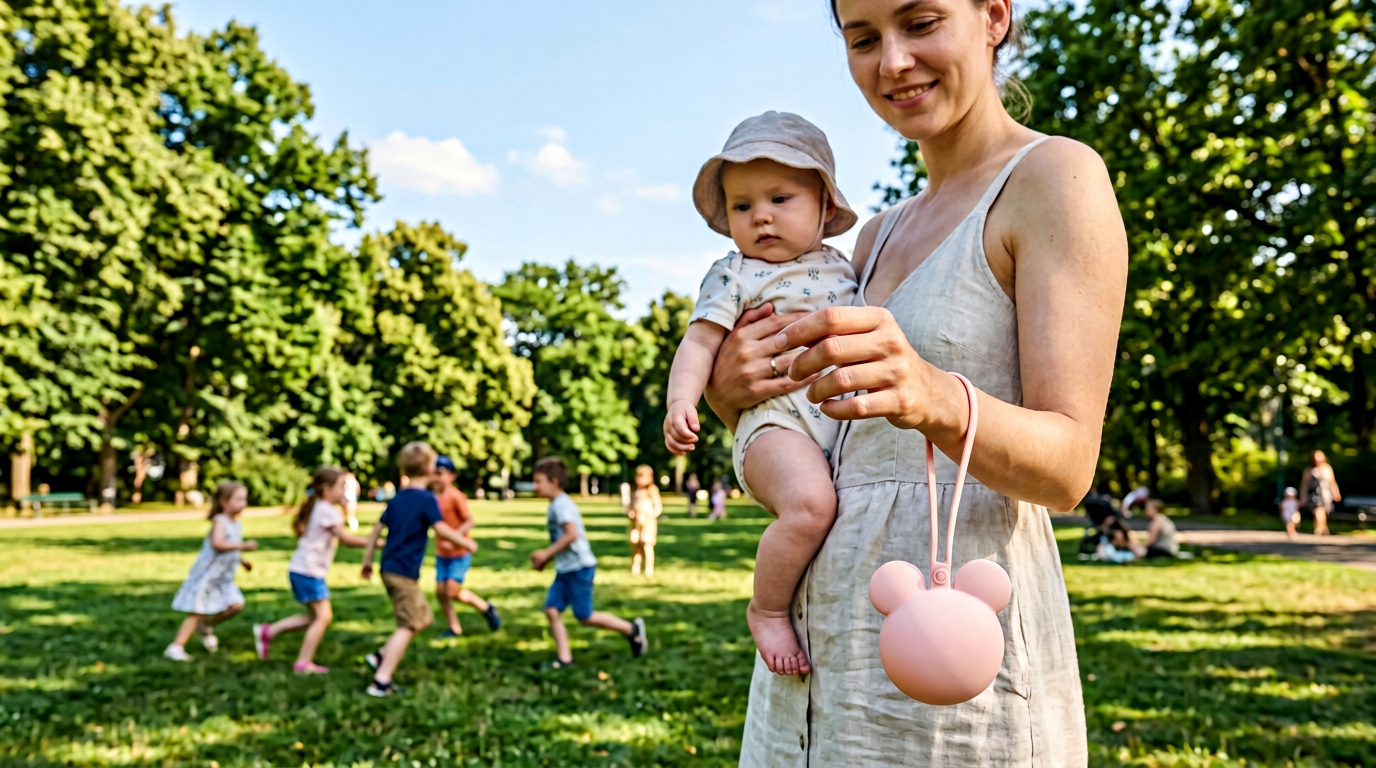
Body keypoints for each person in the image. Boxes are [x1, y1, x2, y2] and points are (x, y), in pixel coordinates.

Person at [703, 0, 1127, 762]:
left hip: (954, 656)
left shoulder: (1055, 178)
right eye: (863, 38)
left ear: (993, 16)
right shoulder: (872, 235)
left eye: (920, 22)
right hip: (818, 648)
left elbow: (1068, 470)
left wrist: (932, 394)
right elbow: (833, 447)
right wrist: (731, 394)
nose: (891, 61)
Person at [665, 111, 857, 676]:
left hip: (836, 423)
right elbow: (699, 345)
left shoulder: (848, 269)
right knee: (812, 505)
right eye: (743, 206)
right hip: (776, 426)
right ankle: (768, 609)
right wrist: (683, 401)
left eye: (780, 199)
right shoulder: (735, 274)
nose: (761, 217)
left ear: (824, 207)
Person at [359, 442, 479, 697]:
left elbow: (375, 531)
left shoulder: (398, 498)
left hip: (391, 568)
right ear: (429, 467)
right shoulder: (427, 500)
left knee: (423, 617)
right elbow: (442, 529)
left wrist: (368, 561)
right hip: (401, 571)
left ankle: (381, 656)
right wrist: (466, 542)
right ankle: (381, 681)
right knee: (410, 624)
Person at [530, 456, 647, 670]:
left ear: (554, 482)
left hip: (579, 568)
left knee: (584, 616)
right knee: (552, 609)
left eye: (538, 481)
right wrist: (549, 559)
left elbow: (570, 535)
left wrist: (546, 554)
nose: (534, 486)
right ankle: (564, 659)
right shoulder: (556, 504)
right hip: (566, 568)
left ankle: (631, 629)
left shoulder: (561, 505)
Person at [252, 467, 369, 673]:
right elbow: (348, 540)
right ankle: (303, 662)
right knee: (323, 617)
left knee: (315, 617)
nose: (345, 491)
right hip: (308, 572)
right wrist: (378, 543)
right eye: (341, 486)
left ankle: (269, 631)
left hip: (302, 569)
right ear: (326, 489)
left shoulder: (319, 507)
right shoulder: (327, 511)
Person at [164, 481, 257, 661]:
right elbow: (218, 544)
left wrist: (241, 560)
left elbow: (229, 549)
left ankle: (206, 626)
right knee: (198, 611)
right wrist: (243, 546)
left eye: (244, 499)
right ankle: (176, 647)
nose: (243, 503)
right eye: (238, 499)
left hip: (223, 578)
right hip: (209, 576)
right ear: (224, 501)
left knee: (236, 605)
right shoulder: (220, 521)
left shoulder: (236, 523)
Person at [431, 455, 500, 637]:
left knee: (452, 591)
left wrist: (454, 537)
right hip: (441, 553)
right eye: (434, 473)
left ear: (452, 476)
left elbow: (470, 521)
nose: (437, 477)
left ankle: (485, 607)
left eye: (441, 473)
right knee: (440, 592)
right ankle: (454, 627)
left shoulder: (455, 496)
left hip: (459, 553)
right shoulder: (432, 497)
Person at [625, 465, 663, 578]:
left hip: (648, 523)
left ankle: (648, 569)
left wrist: (651, 515)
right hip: (636, 522)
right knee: (635, 544)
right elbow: (631, 506)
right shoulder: (635, 491)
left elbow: (658, 507)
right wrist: (631, 512)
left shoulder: (652, 490)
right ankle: (635, 567)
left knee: (647, 545)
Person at [1300, 450, 1341, 536]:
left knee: (1324, 510)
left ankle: (1322, 527)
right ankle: (1319, 528)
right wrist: (1303, 497)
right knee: (1318, 510)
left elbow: (1332, 482)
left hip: (1325, 493)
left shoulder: (1327, 468)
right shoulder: (1309, 470)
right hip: (1314, 494)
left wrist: (1336, 492)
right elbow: (1305, 485)